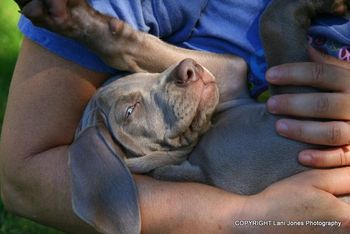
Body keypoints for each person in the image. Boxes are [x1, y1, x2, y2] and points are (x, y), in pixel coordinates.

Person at [1, 0, 350, 233]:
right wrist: (245, 218)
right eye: (130, 110)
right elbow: (25, 179)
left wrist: (117, 41)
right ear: (108, 160)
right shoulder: (212, 168)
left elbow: (230, 76)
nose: (183, 69)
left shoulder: (201, 145)